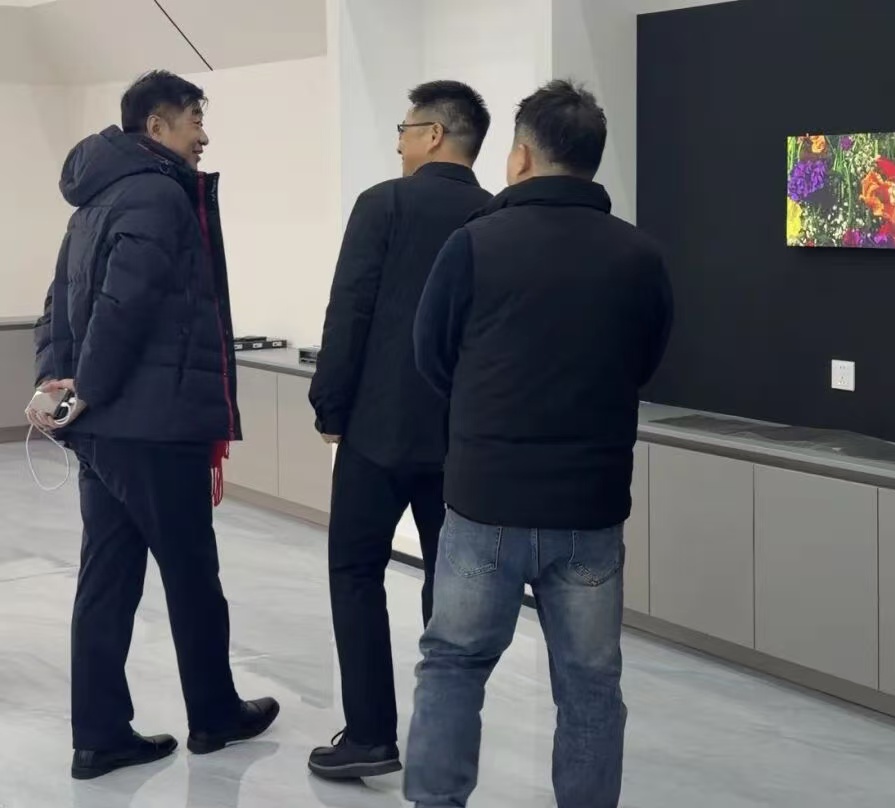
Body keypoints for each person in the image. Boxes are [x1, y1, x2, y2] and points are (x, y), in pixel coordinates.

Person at [404, 80, 674, 807]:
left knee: (453, 666)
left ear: (521, 156)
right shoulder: (639, 257)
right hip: (589, 509)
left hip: (484, 499)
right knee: (590, 685)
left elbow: (431, 355)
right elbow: (645, 361)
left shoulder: (474, 244)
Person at [31, 70, 279, 781]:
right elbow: (125, 305)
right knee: (192, 575)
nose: (203, 136)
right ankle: (215, 715)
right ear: (158, 125)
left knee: (106, 581)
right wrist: (89, 388)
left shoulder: (95, 200)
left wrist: (60, 385)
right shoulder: (158, 193)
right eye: (195, 119)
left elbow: (57, 306)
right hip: (154, 425)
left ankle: (100, 735)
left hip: (105, 433)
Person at [307, 80, 493, 781]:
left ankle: (369, 735)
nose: (398, 143)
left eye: (405, 129)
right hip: (462, 441)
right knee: (451, 591)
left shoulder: (383, 203)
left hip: (377, 432)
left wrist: (330, 407)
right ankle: (440, 740)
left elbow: (350, 309)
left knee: (356, 572)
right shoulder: (496, 216)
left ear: (434, 134)